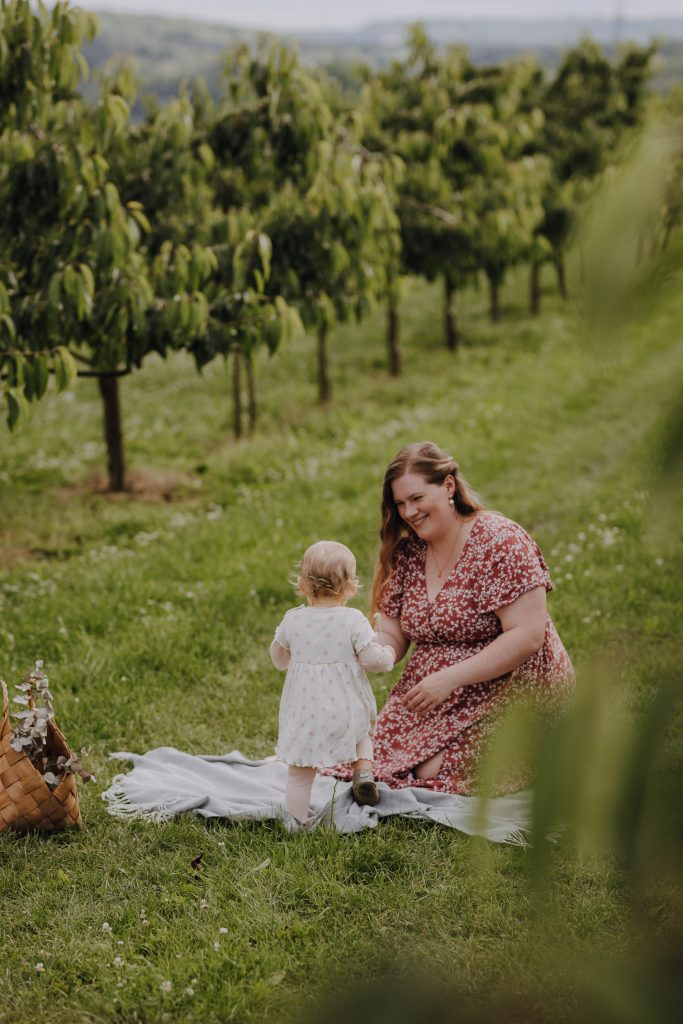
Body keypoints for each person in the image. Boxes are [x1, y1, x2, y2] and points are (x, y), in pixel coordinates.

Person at [322, 442, 575, 797]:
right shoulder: (408, 552)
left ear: (449, 487)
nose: (408, 511)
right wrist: (365, 648)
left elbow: (528, 635)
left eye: (416, 498)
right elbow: (393, 635)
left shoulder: (499, 541)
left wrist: (449, 679)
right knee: (376, 758)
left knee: (436, 768)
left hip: (513, 684)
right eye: (399, 504)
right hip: (435, 694)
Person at [270, 540, 395, 824]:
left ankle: (295, 820)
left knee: (299, 773)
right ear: (351, 587)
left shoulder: (293, 620)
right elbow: (373, 661)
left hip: (304, 711)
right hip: (346, 708)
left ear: (302, 585)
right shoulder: (353, 620)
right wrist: (386, 653)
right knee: (363, 734)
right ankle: (363, 772)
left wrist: (291, 657)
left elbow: (278, 658)